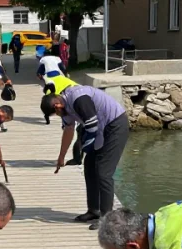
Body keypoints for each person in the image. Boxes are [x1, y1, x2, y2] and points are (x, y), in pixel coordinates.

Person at [40, 86, 129, 230]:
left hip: (115, 125)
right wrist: (61, 157)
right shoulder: (65, 109)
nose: (58, 115)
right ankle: (94, 210)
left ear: (57, 105)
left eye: (55, 113)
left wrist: (87, 145)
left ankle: (107, 220)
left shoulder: (78, 98)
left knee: (104, 172)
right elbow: (69, 130)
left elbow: (92, 123)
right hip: (101, 128)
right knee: (90, 166)